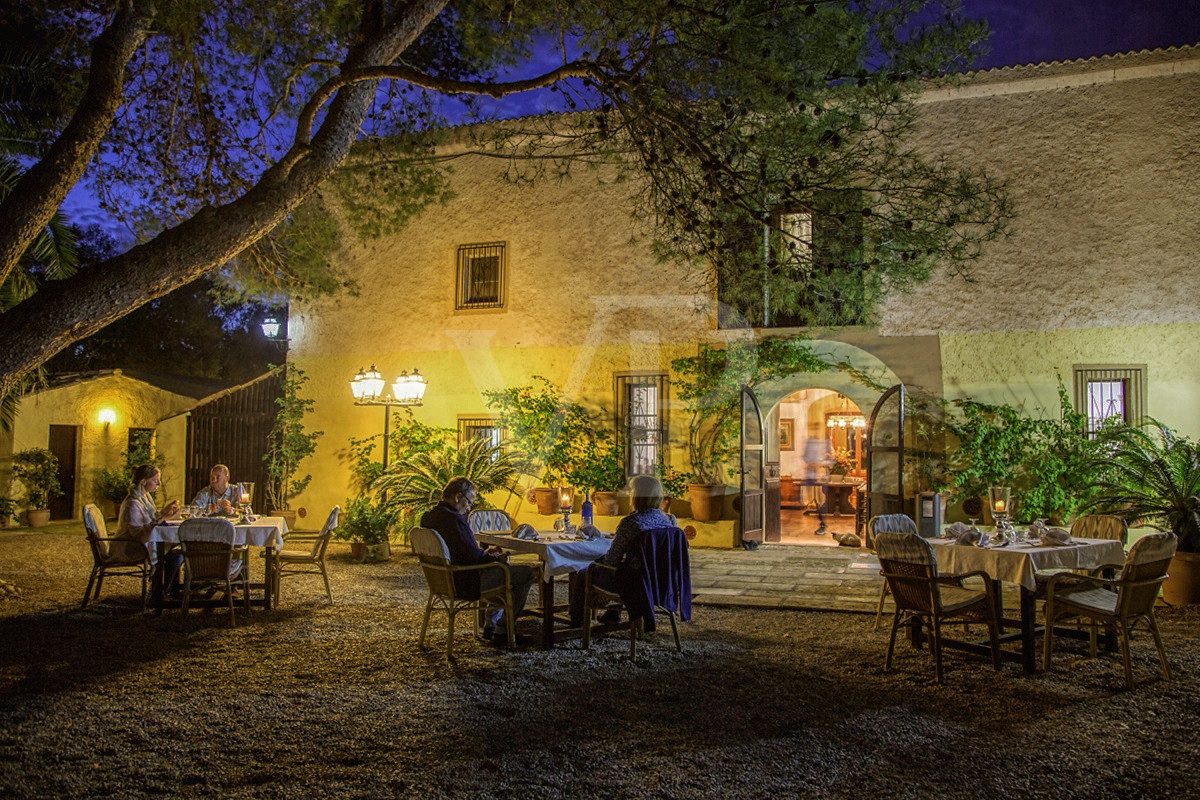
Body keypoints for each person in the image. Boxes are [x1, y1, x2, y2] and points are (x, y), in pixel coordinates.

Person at [419, 477, 536, 644]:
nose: (469, 508)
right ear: (458, 497)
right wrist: (491, 556)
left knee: (503, 569)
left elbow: (462, 550)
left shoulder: (430, 517)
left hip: (444, 580)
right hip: (467, 581)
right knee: (525, 573)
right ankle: (503, 630)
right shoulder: (453, 520)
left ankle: (491, 624)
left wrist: (484, 553)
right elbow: (472, 557)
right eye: (469, 502)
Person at [569, 474, 674, 627]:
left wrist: (597, 560)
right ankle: (613, 614)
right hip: (661, 580)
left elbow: (612, 560)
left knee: (586, 572)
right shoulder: (669, 521)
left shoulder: (631, 523)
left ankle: (577, 622)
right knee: (628, 567)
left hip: (635, 584)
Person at [115, 464, 183, 595]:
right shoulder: (133, 503)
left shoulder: (144, 497)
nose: (159, 483)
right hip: (132, 546)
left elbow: (152, 518)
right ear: (143, 481)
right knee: (177, 553)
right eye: (155, 480)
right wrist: (162, 518)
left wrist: (166, 511)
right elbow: (138, 534)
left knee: (177, 549)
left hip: (144, 542)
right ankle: (161, 591)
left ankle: (169, 589)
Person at [800, 433, 832, 535]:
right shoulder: (809, 443)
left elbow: (831, 460)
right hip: (812, 476)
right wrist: (810, 464)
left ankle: (822, 525)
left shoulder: (826, 444)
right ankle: (822, 524)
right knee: (818, 502)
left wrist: (825, 460)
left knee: (822, 501)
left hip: (822, 477)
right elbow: (805, 457)